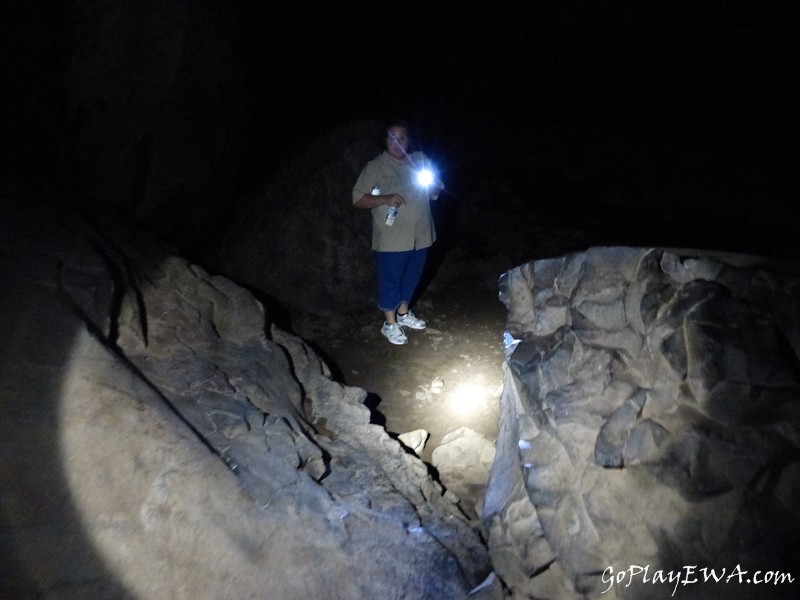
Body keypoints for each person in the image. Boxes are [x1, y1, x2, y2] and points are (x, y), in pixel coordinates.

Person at [352, 119, 444, 345]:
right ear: (385, 141)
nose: (397, 142)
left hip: (421, 235)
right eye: (392, 137)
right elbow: (358, 199)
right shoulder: (375, 166)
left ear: (408, 140)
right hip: (392, 238)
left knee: (412, 277)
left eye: (402, 137)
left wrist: (433, 186)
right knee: (390, 281)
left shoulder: (420, 160)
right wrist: (385, 198)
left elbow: (436, 190)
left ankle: (403, 314)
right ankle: (390, 323)